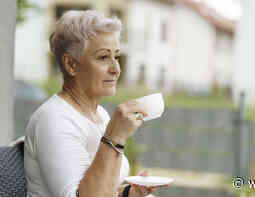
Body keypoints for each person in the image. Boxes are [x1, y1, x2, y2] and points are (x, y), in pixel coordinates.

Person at [24, 10, 161, 197]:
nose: (116, 69)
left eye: (116, 56)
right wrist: (115, 137)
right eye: (103, 57)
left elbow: (103, 189)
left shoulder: (100, 115)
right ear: (71, 65)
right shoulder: (54, 120)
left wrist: (129, 193)